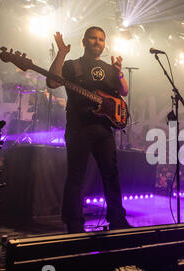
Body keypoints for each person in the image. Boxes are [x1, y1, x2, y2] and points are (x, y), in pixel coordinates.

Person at [46, 27, 132, 233]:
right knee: (76, 175)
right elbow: (51, 82)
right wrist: (61, 53)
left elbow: (124, 91)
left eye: (101, 39)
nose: (97, 42)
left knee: (111, 174)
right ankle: (74, 224)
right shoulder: (72, 65)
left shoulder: (110, 69)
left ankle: (118, 220)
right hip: (79, 127)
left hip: (104, 128)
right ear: (84, 41)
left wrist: (119, 72)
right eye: (93, 38)